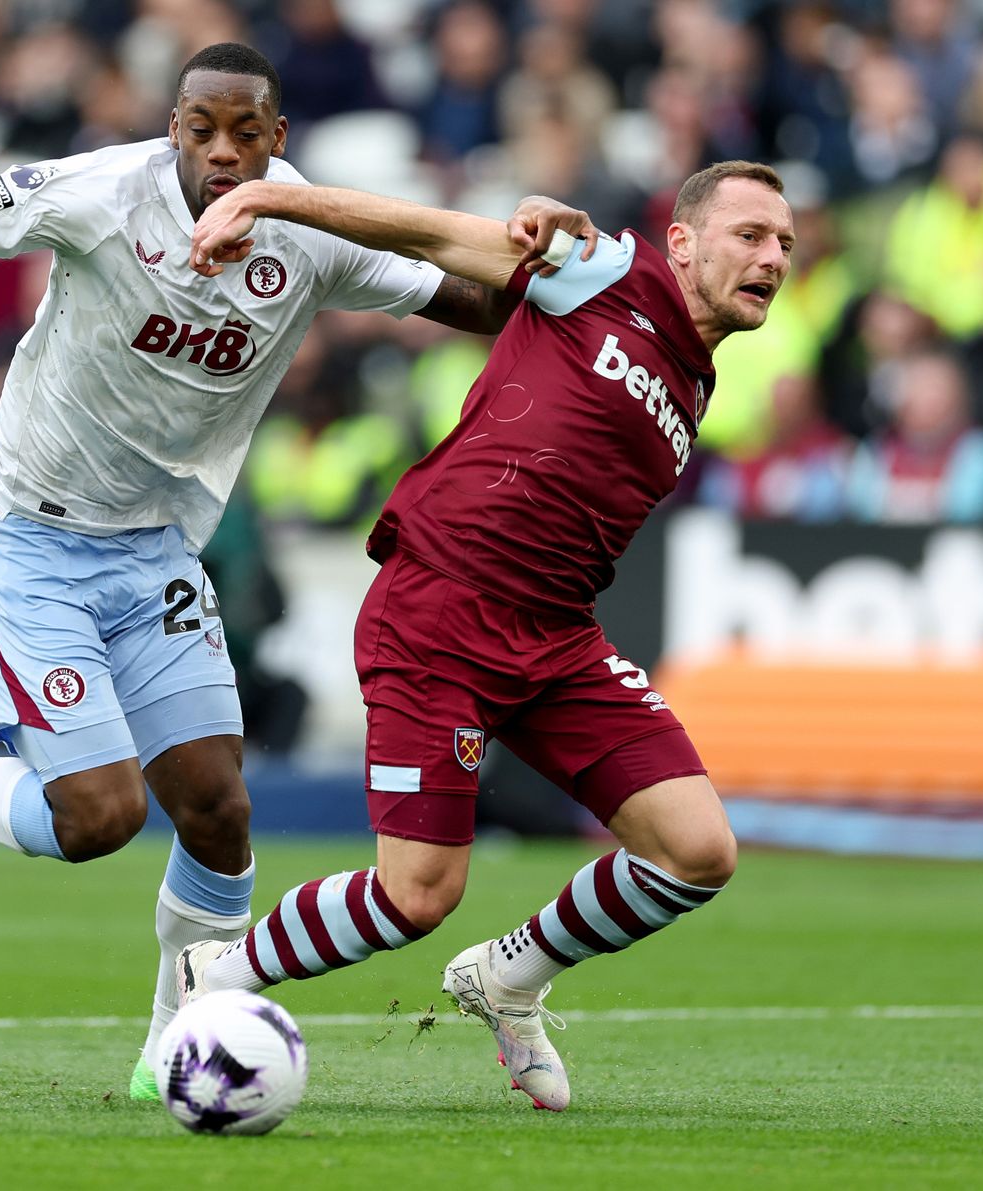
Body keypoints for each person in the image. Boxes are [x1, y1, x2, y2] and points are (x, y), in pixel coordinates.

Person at [0, 42, 594, 1102]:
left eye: (247, 133)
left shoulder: (314, 231)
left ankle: (172, 1048)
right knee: (96, 819)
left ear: (278, 139)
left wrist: (565, 258)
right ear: (174, 126)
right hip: (28, 537)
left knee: (218, 810)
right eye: (202, 129)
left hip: (156, 553)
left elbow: (475, 306)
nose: (223, 153)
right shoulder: (104, 193)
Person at [175, 158, 795, 1111]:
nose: (773, 257)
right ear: (682, 240)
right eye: (751, 235)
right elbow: (421, 231)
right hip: (441, 611)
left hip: (554, 637)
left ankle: (508, 978)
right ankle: (219, 975)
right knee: (417, 894)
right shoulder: (601, 267)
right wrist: (267, 197)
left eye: (785, 243)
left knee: (697, 849)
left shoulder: (697, 376)